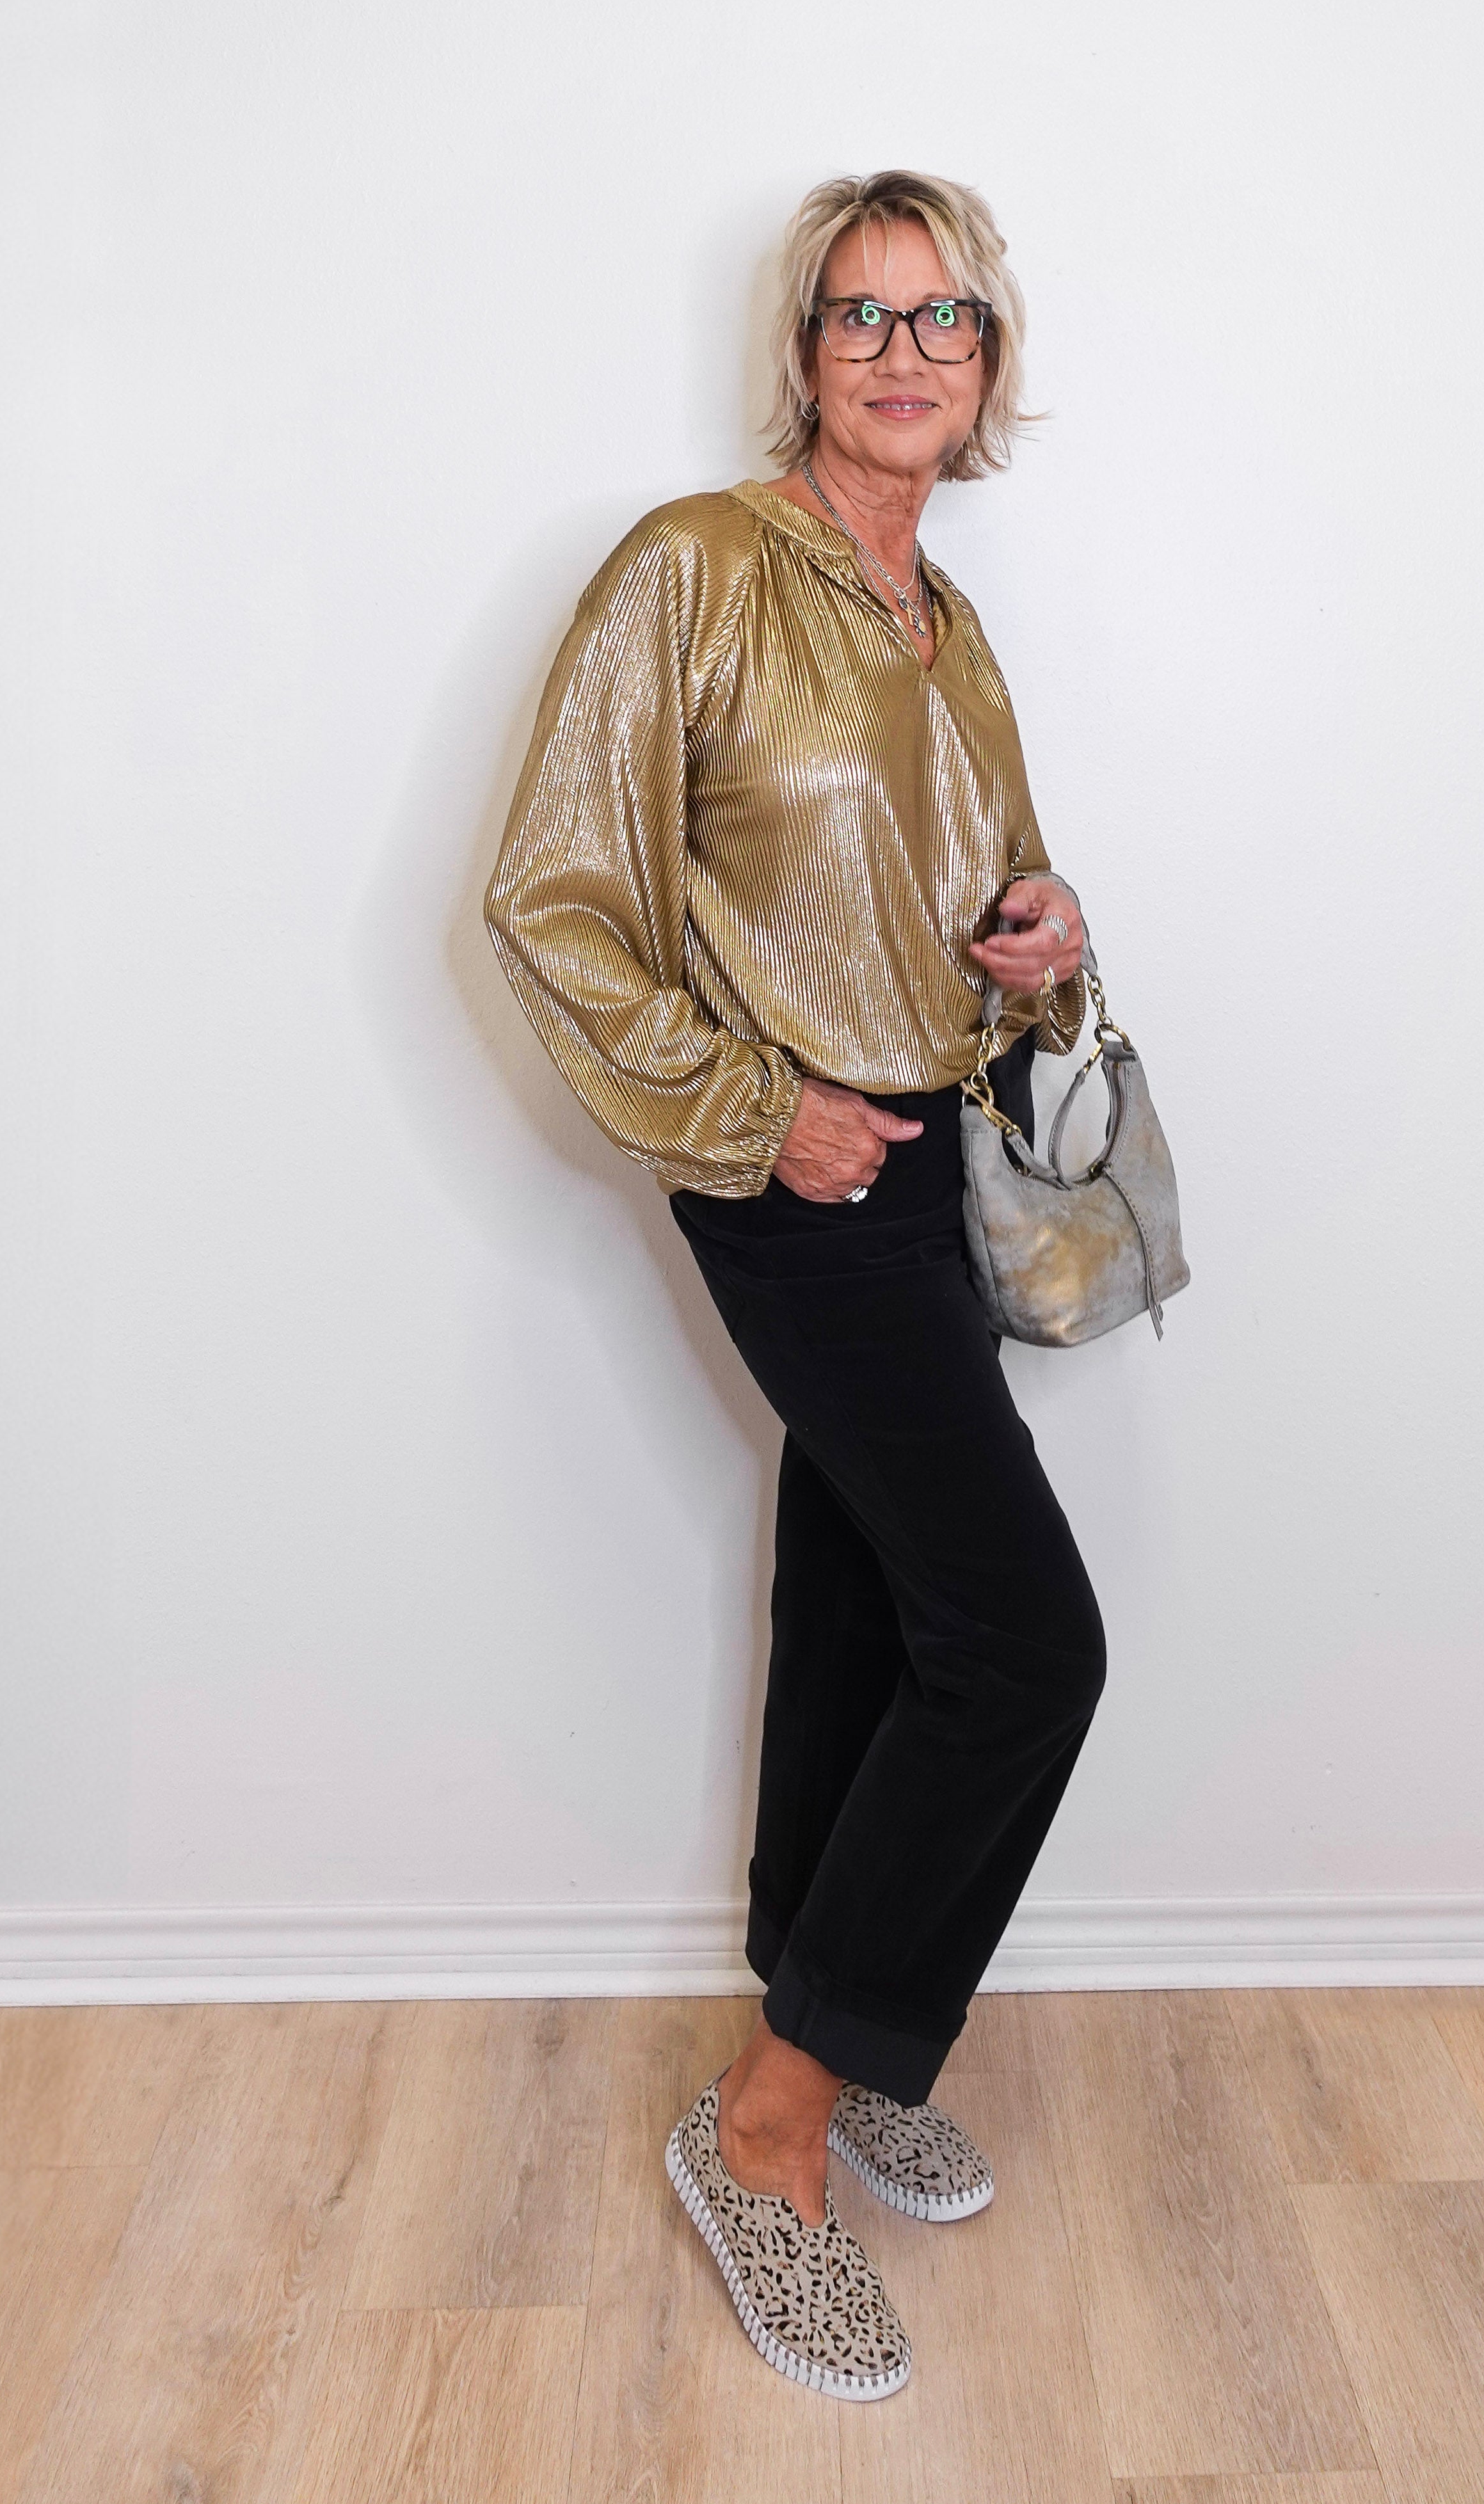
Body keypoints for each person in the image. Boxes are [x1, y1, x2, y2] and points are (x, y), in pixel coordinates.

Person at [485, 168, 1104, 2400]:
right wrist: (757, 1114)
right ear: (805, 350)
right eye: (863, 313)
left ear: (989, 366)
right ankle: (770, 2132)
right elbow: (549, 895)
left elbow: (989, 901)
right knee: (1027, 1641)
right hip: (794, 1172)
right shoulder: (692, 569)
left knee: (871, 1605)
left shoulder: (947, 618)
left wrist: (1043, 940)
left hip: (927, 1152)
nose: (903, 351)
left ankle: (821, 2037)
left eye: (947, 319)